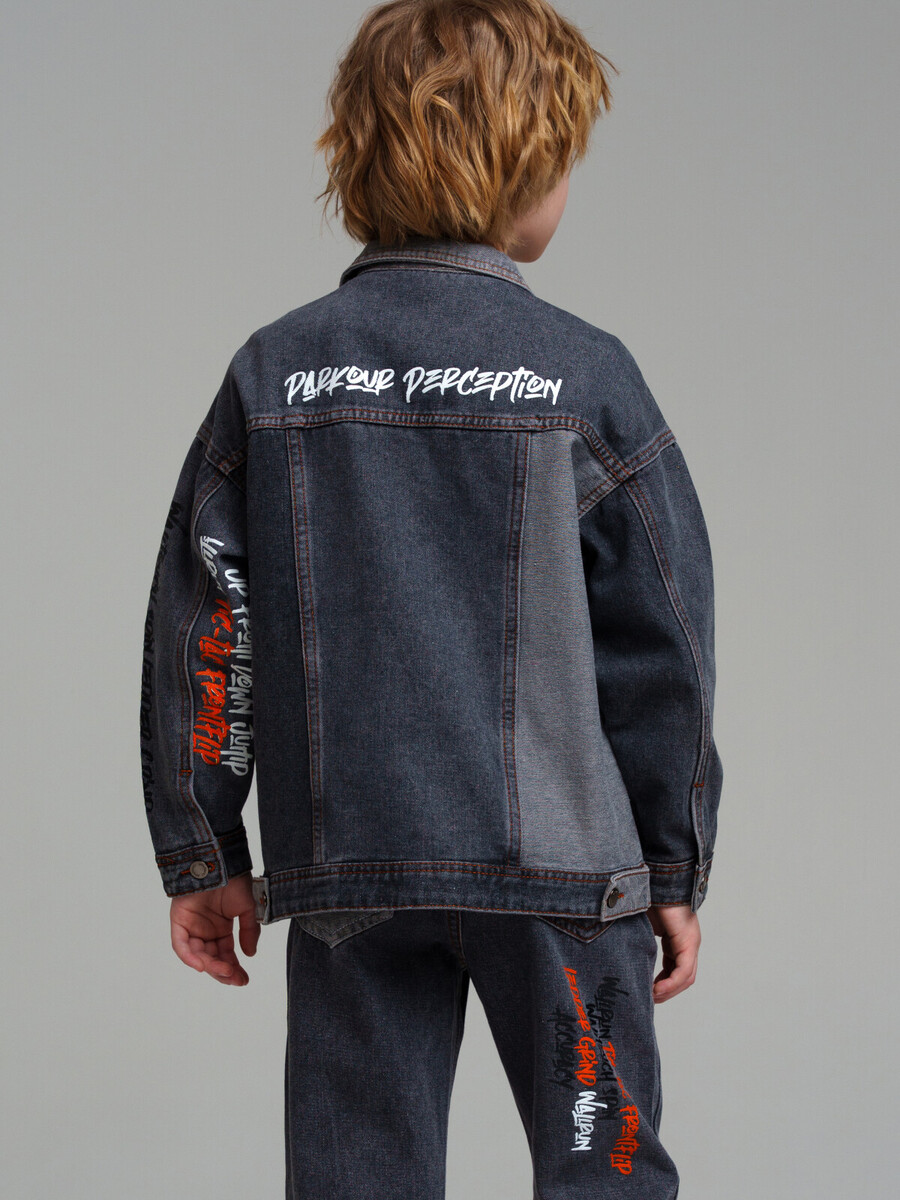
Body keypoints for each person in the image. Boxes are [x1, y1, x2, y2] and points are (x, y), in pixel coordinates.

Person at [138, 2, 723, 1196]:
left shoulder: (276, 372)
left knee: (359, 1180)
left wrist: (204, 846)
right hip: (567, 885)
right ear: (533, 168)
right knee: (605, 1173)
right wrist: (672, 867)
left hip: (352, 873)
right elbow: (664, 644)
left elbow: (210, 625)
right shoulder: (586, 377)